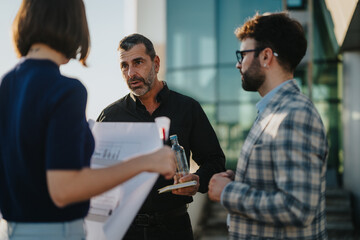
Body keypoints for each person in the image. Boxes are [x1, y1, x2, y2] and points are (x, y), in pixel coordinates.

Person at [0, 1, 176, 239]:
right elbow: (64, 189)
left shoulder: (8, 83)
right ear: (74, 25)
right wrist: (147, 161)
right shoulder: (66, 91)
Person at [208, 12, 328, 239]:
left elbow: (297, 207)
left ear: (265, 57)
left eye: (242, 54)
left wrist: (229, 192)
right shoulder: (272, 112)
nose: (238, 64)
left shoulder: (293, 114)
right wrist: (243, 180)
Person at [97, 33, 226, 240]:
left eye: (138, 62)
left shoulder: (187, 108)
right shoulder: (111, 116)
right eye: (124, 66)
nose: (131, 73)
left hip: (175, 229)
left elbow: (215, 161)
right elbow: (97, 174)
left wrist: (197, 180)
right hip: (124, 231)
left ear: (156, 63)